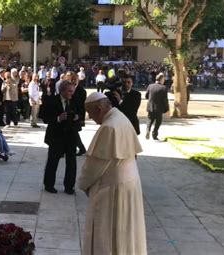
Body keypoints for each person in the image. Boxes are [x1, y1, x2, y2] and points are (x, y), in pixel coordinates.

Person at [78, 92, 146, 255]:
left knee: (108, 234)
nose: (90, 117)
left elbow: (95, 165)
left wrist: (82, 184)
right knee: (126, 232)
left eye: (90, 112)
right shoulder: (120, 117)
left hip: (112, 189)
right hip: (129, 182)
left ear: (99, 109)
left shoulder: (109, 126)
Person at [42, 80, 81, 195]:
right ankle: (49, 185)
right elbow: (45, 118)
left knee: (71, 163)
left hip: (71, 135)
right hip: (56, 135)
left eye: (72, 91)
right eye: (69, 91)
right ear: (62, 91)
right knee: (53, 161)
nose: (71, 94)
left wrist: (77, 117)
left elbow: (80, 113)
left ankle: (69, 186)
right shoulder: (51, 100)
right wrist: (58, 118)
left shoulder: (74, 99)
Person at [145, 72, 169, 140]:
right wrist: (166, 109)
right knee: (158, 121)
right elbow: (165, 100)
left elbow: (146, 96)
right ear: (161, 79)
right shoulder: (163, 88)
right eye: (163, 79)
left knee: (150, 119)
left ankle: (148, 130)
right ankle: (154, 134)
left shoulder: (150, 86)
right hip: (159, 108)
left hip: (150, 106)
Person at [71, 72, 87, 156]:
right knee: (72, 132)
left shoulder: (82, 91)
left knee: (74, 133)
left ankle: (82, 148)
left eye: (75, 79)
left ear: (78, 80)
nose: (73, 81)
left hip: (77, 116)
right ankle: (81, 148)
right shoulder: (68, 88)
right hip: (69, 114)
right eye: (72, 79)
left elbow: (83, 106)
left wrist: (82, 119)